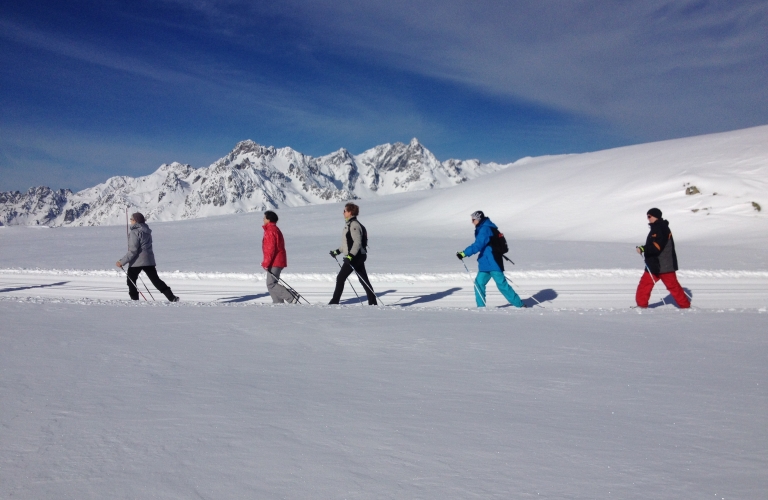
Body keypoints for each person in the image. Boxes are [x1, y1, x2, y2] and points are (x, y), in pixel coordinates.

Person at [456, 210, 524, 308]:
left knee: (502, 285)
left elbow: (478, 245)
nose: (472, 222)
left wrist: (464, 253)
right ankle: (481, 308)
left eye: (473, 219)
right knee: (478, 283)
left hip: (493, 261)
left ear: (478, 219)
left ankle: (519, 305)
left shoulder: (485, 229)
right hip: (485, 263)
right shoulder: (482, 228)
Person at [116, 212, 179, 302]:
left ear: (136, 221)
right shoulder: (147, 230)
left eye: (131, 219)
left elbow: (133, 250)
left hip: (137, 261)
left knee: (131, 281)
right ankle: (172, 297)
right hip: (149, 260)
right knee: (156, 280)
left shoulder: (134, 232)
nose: (130, 221)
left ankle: (134, 301)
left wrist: (121, 262)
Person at [635, 208, 691, 308]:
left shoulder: (661, 228)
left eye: (649, 216)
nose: (648, 219)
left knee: (673, 286)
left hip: (664, 265)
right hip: (654, 264)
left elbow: (657, 246)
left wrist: (643, 248)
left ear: (655, 216)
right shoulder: (656, 228)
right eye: (647, 216)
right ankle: (641, 307)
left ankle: (685, 307)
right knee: (644, 285)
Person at [328, 203, 378, 305]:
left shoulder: (354, 225)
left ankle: (334, 302)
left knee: (341, 278)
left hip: (355, 257)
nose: (343, 213)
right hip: (357, 256)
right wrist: (337, 251)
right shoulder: (350, 224)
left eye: (345, 211)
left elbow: (357, 242)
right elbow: (347, 244)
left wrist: (350, 256)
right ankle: (373, 303)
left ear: (350, 212)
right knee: (363, 279)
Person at [261, 210, 297, 304]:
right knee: (273, 283)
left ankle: (291, 296)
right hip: (277, 260)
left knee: (271, 284)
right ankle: (278, 304)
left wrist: (266, 263)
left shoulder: (271, 231)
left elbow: (270, 249)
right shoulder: (274, 229)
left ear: (268, 219)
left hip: (275, 261)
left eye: (264, 217)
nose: (263, 219)